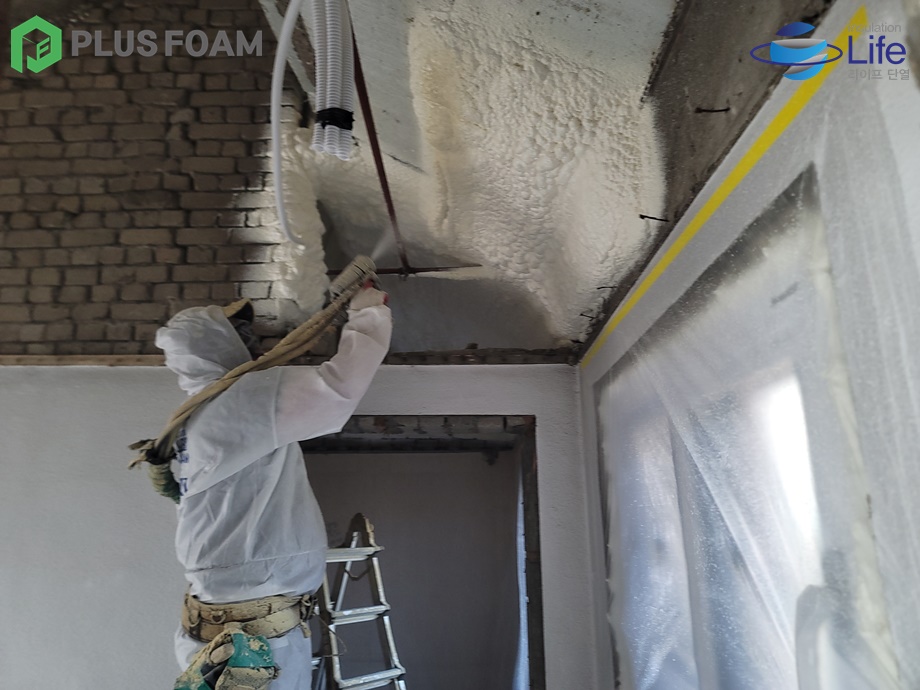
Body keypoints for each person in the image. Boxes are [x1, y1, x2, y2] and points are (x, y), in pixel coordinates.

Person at [155, 284, 392, 689]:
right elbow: (337, 390)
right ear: (216, 345)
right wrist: (369, 312)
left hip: (243, 630)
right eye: (242, 335)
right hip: (252, 636)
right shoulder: (236, 402)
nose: (254, 346)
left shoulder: (195, 416)